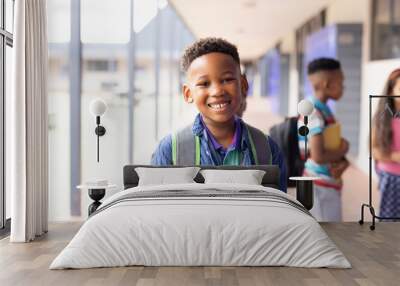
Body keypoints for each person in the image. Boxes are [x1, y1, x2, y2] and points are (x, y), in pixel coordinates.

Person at [151, 37, 287, 192]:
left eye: (227, 79)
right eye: (204, 83)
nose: (217, 91)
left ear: (243, 85)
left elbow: (278, 211)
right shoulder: (171, 150)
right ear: (188, 94)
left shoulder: (268, 149)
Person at [299, 58, 350, 221]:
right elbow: (319, 156)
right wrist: (343, 149)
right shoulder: (313, 111)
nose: (344, 87)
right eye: (341, 82)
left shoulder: (322, 108)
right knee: (328, 235)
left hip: (327, 184)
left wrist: (342, 160)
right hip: (320, 187)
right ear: (327, 84)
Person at [372, 68, 400, 220]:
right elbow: (375, 151)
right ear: (390, 91)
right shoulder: (383, 118)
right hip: (391, 178)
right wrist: (396, 157)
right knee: (390, 224)